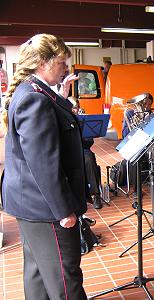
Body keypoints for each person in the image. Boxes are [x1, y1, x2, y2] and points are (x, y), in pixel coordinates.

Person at [0, 34, 87, 299]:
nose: (66, 68)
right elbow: (44, 163)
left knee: (38, 274)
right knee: (65, 277)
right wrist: (64, 210)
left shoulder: (33, 91)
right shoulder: (35, 99)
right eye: (61, 62)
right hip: (46, 207)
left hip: (30, 202)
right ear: (43, 63)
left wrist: (63, 97)